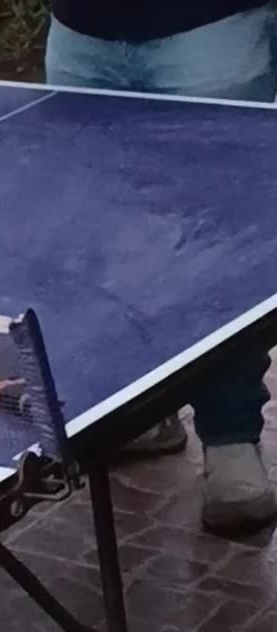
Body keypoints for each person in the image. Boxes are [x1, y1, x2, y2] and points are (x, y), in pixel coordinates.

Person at [44, 0, 277, 536]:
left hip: (209, 28)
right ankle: (140, 408)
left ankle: (230, 442)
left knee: (220, 249)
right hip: (80, 33)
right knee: (100, 243)